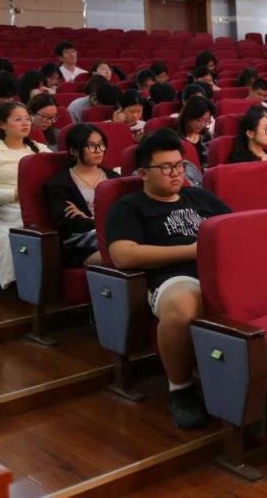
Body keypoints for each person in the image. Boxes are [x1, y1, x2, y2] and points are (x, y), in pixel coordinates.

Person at [106, 129, 231, 429]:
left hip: (223, 270)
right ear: (143, 173)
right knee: (182, 307)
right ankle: (181, 388)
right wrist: (192, 250)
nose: (175, 173)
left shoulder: (199, 196)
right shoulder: (129, 206)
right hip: (174, 278)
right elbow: (123, 254)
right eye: (165, 167)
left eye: (179, 166)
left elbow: (233, 227)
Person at [0, 103, 49, 295]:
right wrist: (13, 194)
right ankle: (18, 287)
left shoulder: (40, 149)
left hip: (42, 206)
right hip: (11, 209)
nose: (25, 123)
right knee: (9, 235)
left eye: (28, 119)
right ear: (2, 124)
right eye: (18, 119)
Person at [44, 123, 118, 268]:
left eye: (101, 145)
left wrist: (87, 218)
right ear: (74, 150)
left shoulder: (114, 178)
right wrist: (96, 223)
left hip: (116, 237)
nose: (98, 150)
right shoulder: (60, 184)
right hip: (81, 246)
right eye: (91, 146)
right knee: (124, 255)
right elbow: (71, 225)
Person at [175, 96, 214, 168]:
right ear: (187, 117)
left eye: (206, 121)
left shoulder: (207, 136)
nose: (203, 124)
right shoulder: (175, 139)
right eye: (199, 120)